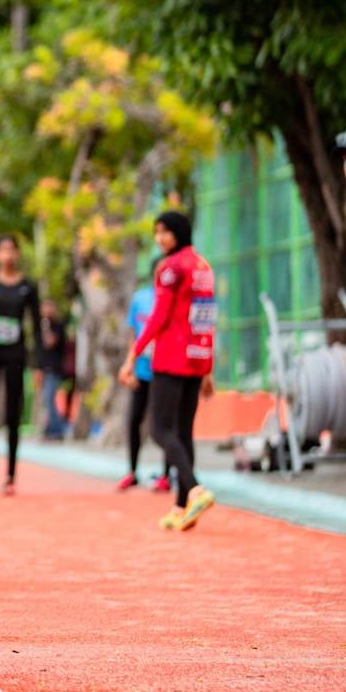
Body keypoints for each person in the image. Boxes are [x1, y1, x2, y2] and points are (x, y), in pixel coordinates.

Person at [120, 212, 216, 531]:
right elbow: (206, 318)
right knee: (182, 431)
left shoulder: (171, 267)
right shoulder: (203, 267)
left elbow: (158, 316)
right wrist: (208, 366)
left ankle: (195, 488)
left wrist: (133, 355)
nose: (159, 238)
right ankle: (179, 507)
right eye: (156, 232)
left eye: (165, 232)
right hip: (196, 357)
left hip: (171, 357)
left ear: (179, 232)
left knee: (160, 431)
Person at [0, 235, 40, 495]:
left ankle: (11, 474)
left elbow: (35, 325)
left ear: (17, 254)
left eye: (12, 250)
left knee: (12, 414)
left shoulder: (27, 287)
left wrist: (38, 364)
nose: (8, 254)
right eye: (3, 249)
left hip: (15, 354)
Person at [117, 258, 172, 492]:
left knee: (163, 426)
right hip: (141, 372)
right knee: (133, 421)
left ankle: (167, 475)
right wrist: (130, 363)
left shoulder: (174, 300)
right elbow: (133, 334)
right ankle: (132, 471)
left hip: (165, 372)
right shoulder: (140, 298)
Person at [35, 299, 70, 440]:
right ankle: (49, 427)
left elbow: (50, 342)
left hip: (54, 368)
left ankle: (57, 429)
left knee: (49, 398)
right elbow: (39, 350)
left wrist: (45, 325)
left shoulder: (58, 326)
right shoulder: (39, 327)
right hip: (43, 368)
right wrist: (37, 368)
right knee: (45, 399)